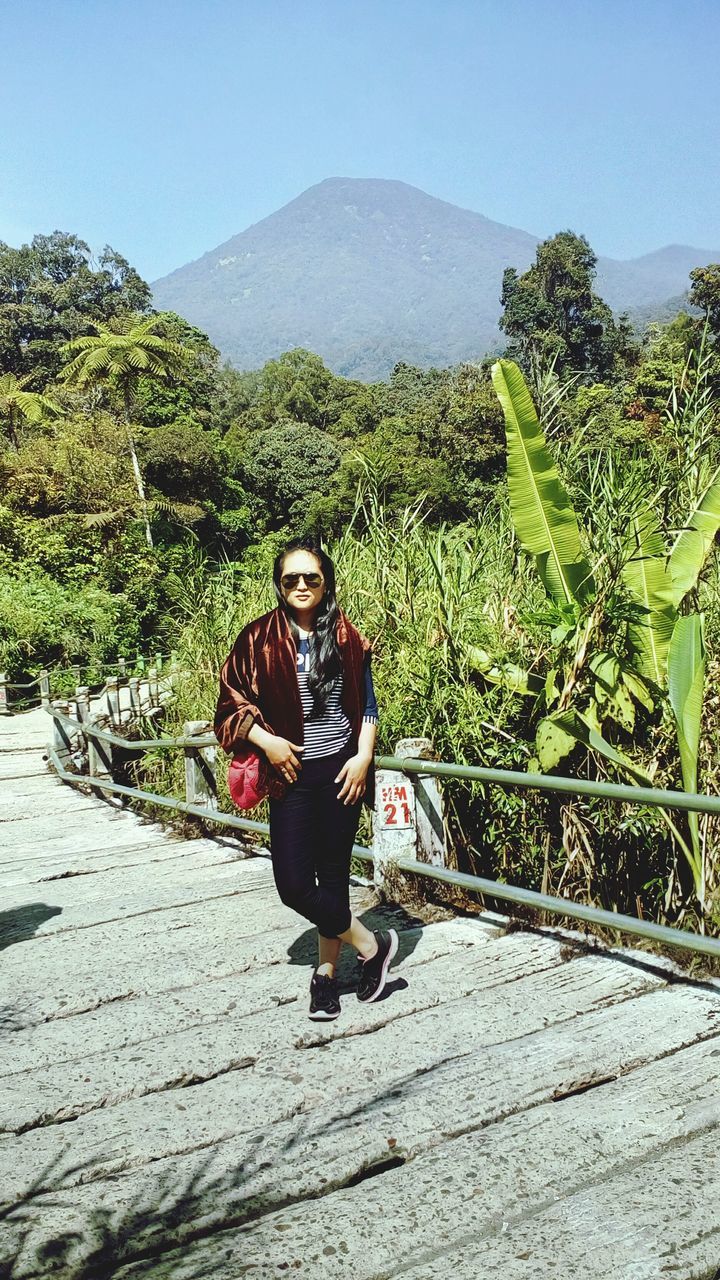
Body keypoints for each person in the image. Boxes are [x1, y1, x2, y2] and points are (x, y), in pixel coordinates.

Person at [215, 538, 398, 1020]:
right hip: (289, 773)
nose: (300, 585)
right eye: (290, 578)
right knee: (294, 884)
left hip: (340, 770)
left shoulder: (346, 636)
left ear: (325, 581)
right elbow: (228, 706)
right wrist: (269, 743)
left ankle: (326, 977)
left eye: (310, 577)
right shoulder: (255, 639)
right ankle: (371, 945)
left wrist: (363, 759)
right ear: (278, 584)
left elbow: (367, 707)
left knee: (334, 878)